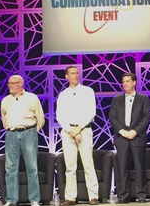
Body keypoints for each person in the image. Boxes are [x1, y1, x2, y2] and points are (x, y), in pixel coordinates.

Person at [56, 66, 99, 206]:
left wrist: (79, 128)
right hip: (68, 133)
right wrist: (71, 131)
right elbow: (59, 116)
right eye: (72, 73)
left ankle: (93, 196)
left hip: (84, 130)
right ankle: (70, 197)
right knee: (70, 166)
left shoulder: (87, 91)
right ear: (66, 76)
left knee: (88, 164)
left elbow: (91, 112)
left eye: (77, 73)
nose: (76, 75)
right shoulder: (63, 94)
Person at [0, 75, 45, 206]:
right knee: (10, 168)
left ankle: (34, 199)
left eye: (12, 83)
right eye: (8, 83)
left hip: (29, 133)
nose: (10, 85)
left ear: (20, 84)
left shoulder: (32, 98)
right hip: (11, 134)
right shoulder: (5, 100)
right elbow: (4, 118)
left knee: (31, 167)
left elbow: (40, 118)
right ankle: (11, 199)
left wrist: (33, 131)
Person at [109, 73, 150, 204]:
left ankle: (141, 195)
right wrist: (122, 131)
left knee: (139, 167)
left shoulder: (143, 98)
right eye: (123, 82)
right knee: (122, 168)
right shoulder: (116, 100)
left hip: (137, 137)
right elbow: (112, 117)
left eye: (128, 81)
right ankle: (123, 196)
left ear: (134, 82)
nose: (125, 84)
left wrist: (135, 131)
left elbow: (146, 117)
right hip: (122, 138)